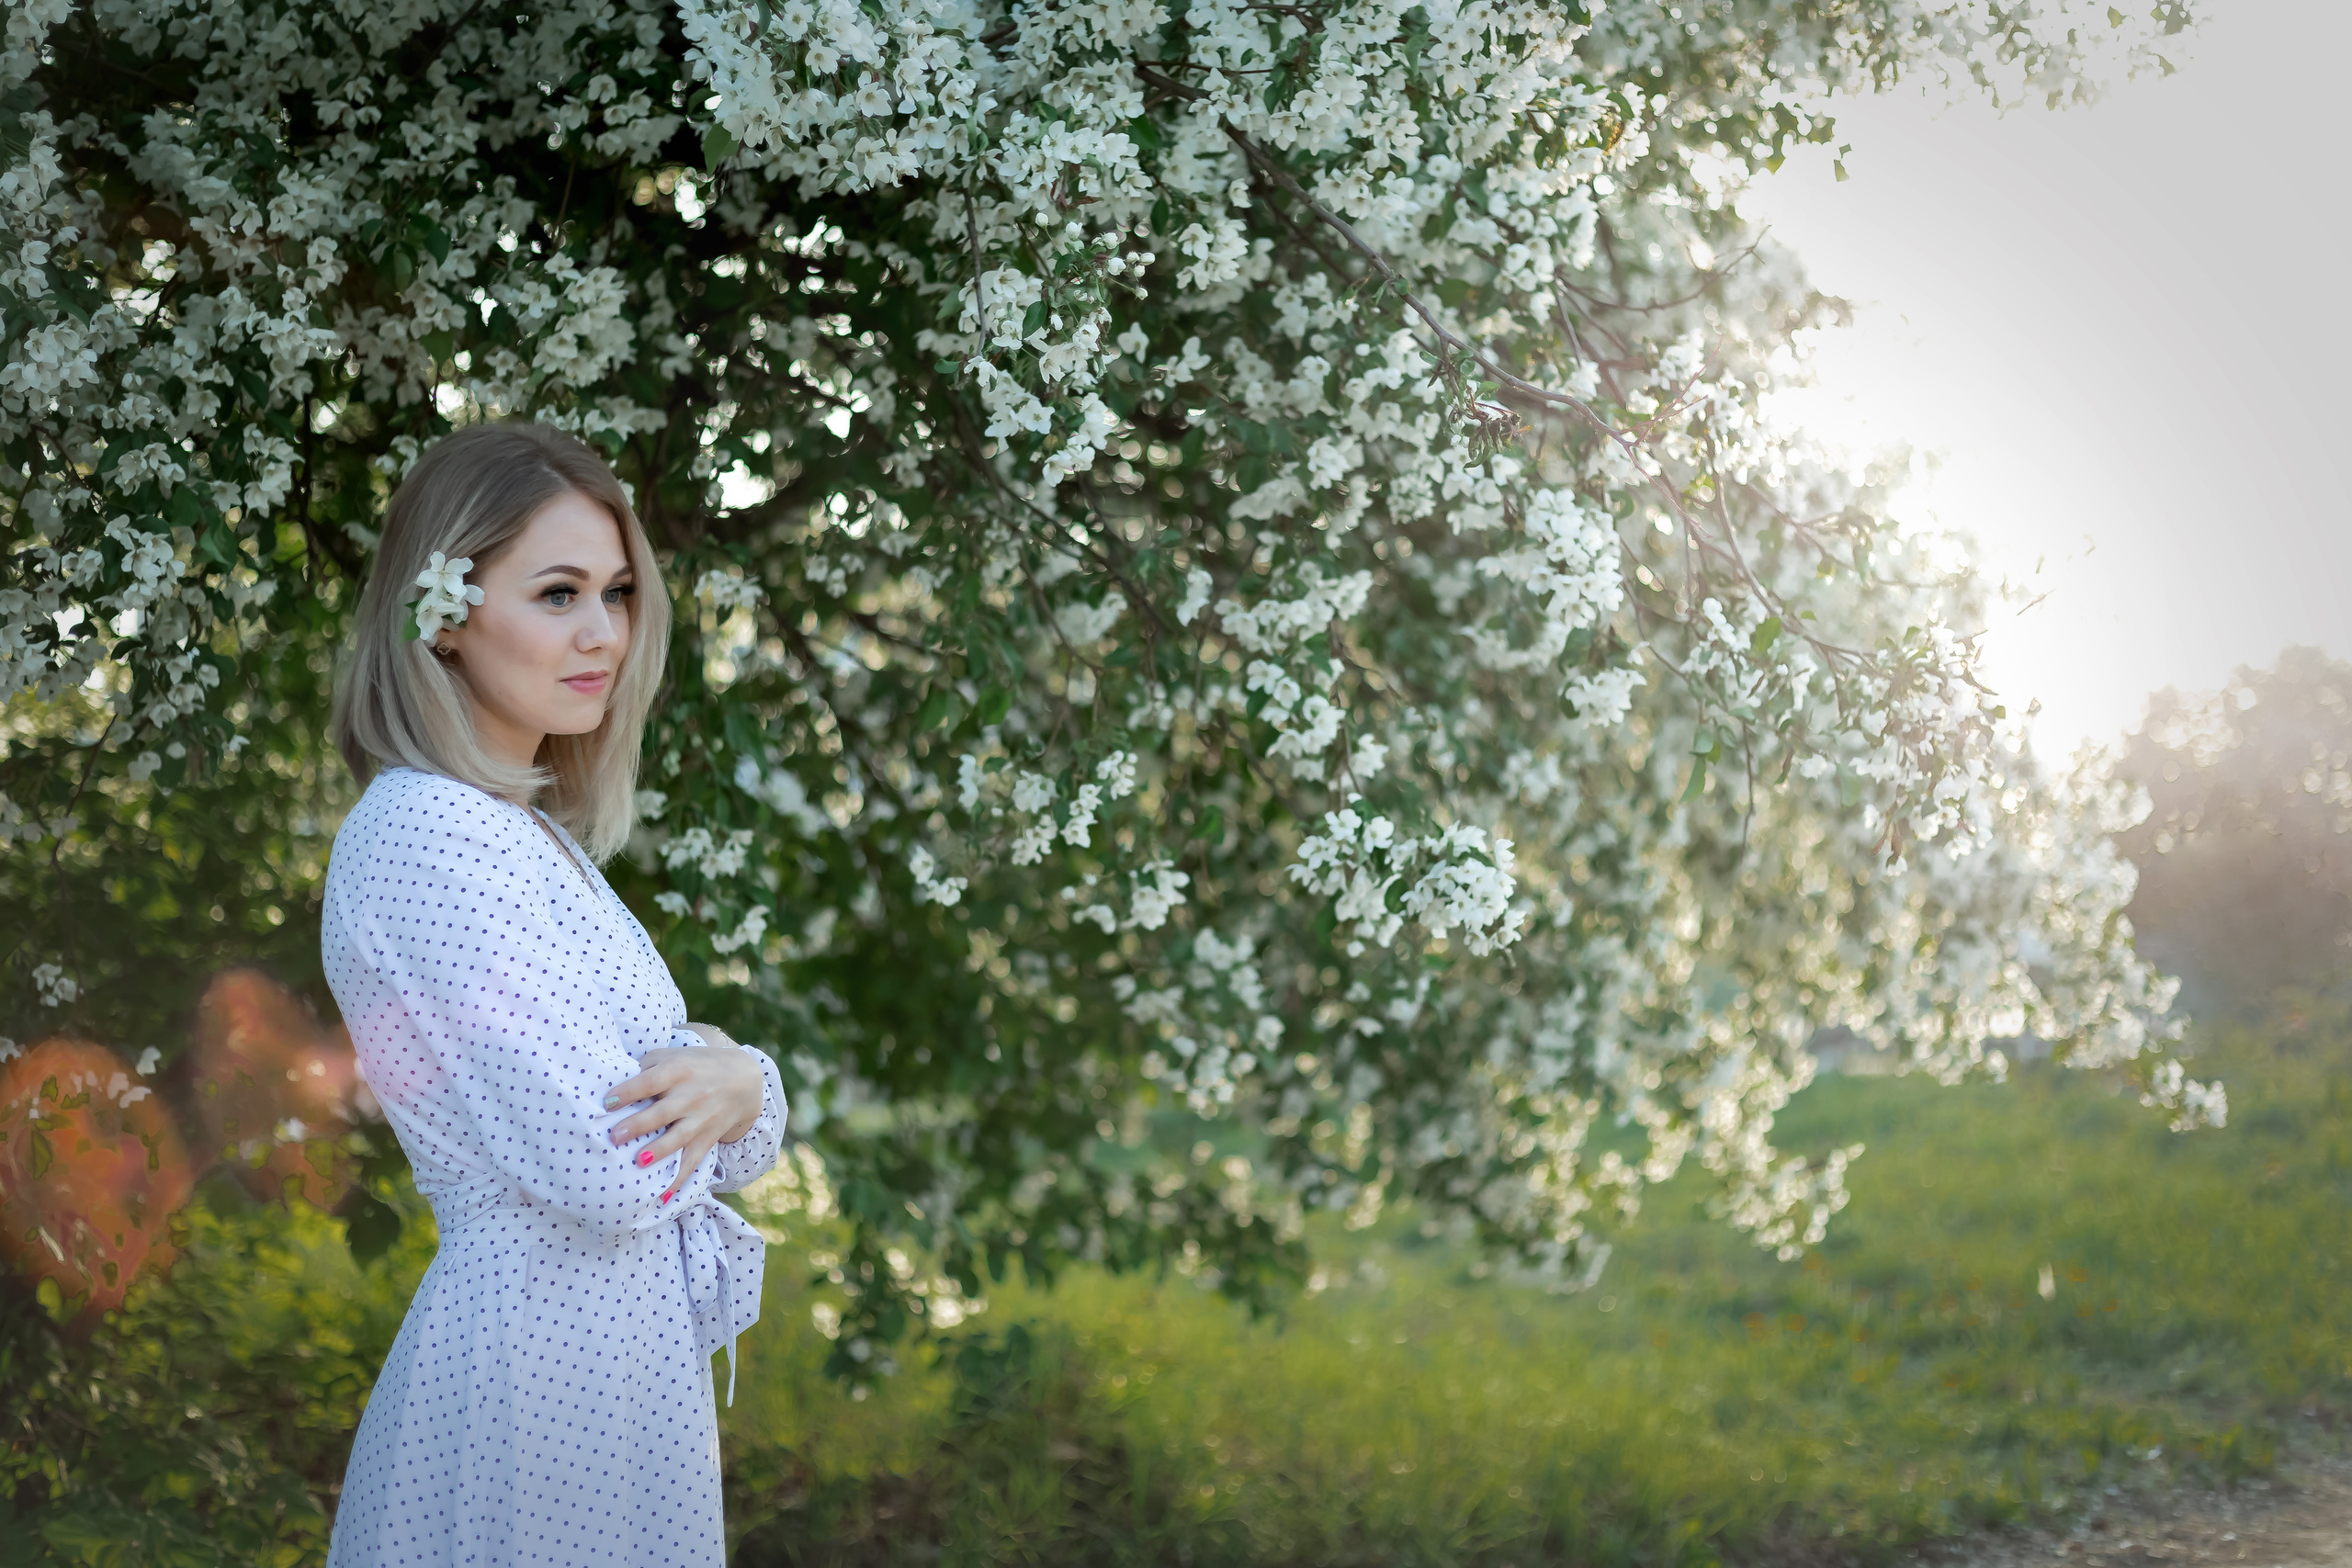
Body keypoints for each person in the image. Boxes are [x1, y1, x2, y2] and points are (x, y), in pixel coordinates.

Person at [321, 422, 784, 1566]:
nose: (602, 635)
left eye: (617, 592)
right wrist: (729, 1079)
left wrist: (742, 1082)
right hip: (533, 1379)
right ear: (446, 611)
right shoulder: (428, 835)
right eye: (559, 592)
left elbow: (716, 1120)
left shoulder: (523, 839)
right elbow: (604, 1164)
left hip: (614, 1372)